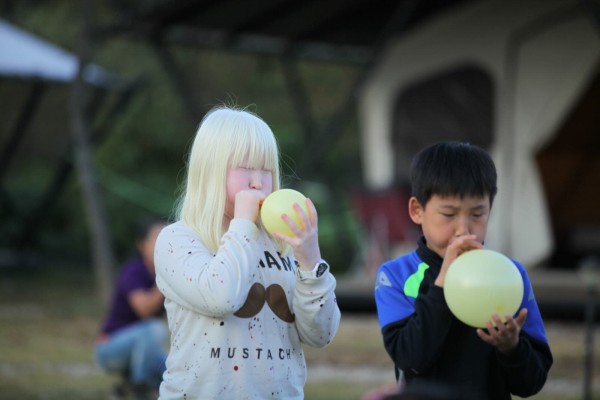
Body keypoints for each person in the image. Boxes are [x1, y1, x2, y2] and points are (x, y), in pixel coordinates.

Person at [154, 105, 341, 399]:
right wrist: (243, 224)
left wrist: (310, 258)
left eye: (266, 170)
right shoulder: (177, 240)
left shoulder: (283, 244)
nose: (258, 181)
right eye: (245, 168)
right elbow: (221, 296)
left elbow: (321, 334)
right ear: (210, 172)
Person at [374, 141, 553, 400]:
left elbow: (531, 384)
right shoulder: (395, 276)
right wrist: (443, 280)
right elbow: (411, 359)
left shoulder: (510, 276)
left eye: (477, 214)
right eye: (448, 214)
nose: (463, 229)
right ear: (417, 210)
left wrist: (511, 347)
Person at [95, 217, 168, 399]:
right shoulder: (133, 271)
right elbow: (144, 310)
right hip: (110, 348)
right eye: (158, 239)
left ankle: (127, 388)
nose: (165, 245)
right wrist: (166, 280)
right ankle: (138, 386)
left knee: (173, 371)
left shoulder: (164, 274)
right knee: (155, 329)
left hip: (143, 348)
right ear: (142, 245)